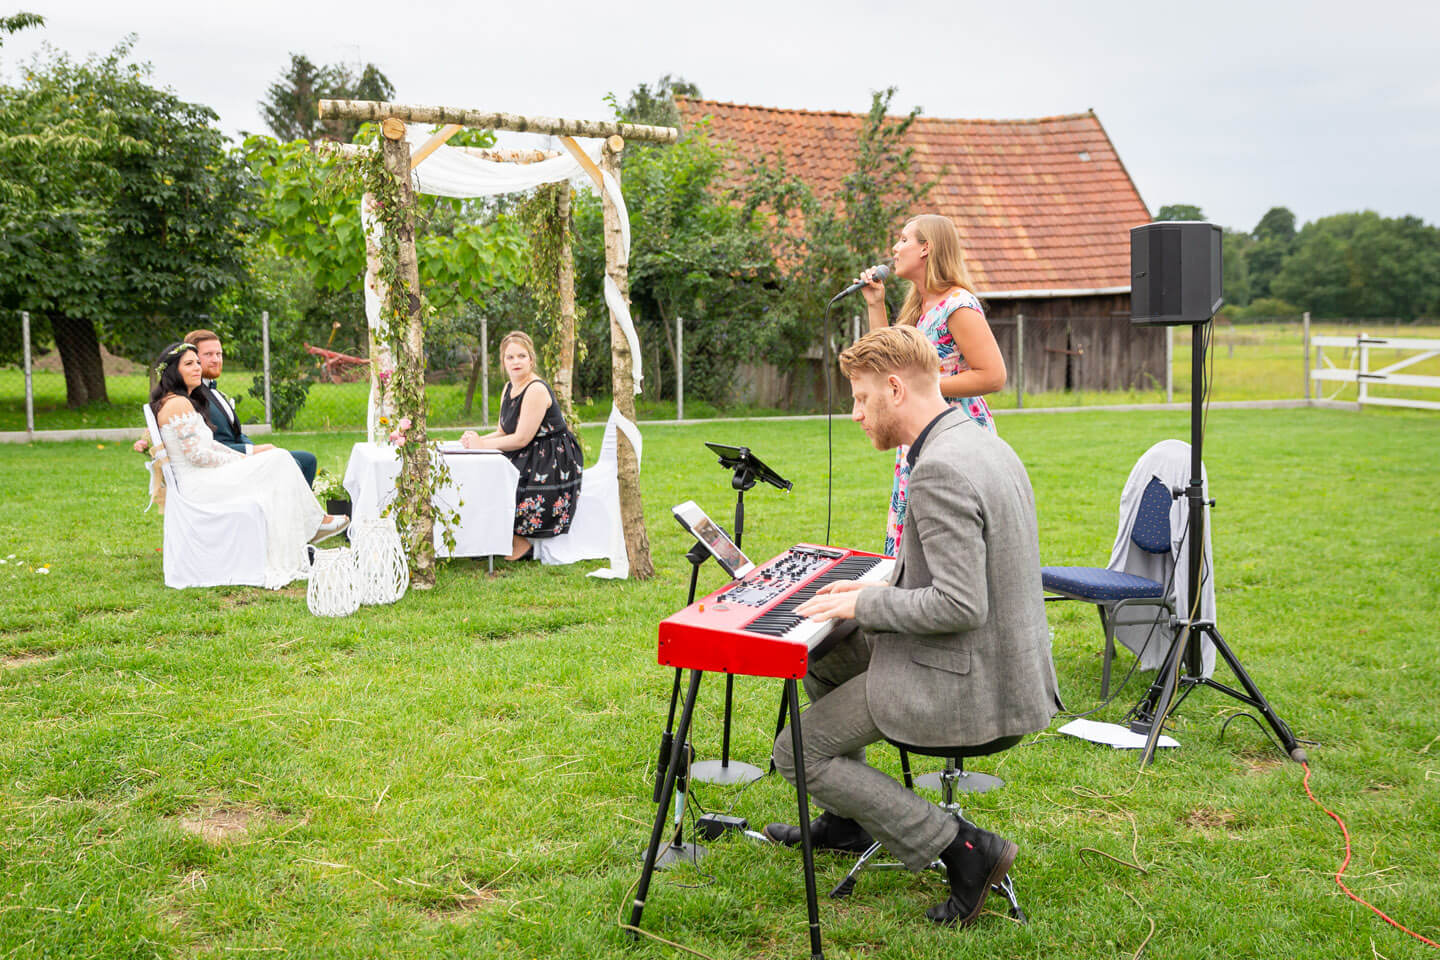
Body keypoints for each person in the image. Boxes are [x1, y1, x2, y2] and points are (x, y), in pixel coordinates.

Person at [763, 325, 1060, 928]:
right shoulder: (978, 441)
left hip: (972, 683)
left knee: (797, 751)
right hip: (1004, 666)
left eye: (860, 398)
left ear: (895, 389)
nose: (855, 414)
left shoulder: (938, 469)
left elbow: (959, 605)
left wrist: (865, 605)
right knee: (827, 655)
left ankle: (964, 848)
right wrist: (866, 593)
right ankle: (847, 820)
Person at [858, 215, 1006, 555]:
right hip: (919, 431)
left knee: (947, 538)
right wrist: (875, 304)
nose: (895, 248)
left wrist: (926, 386)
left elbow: (993, 375)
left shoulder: (958, 305)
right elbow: (888, 367)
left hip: (955, 433)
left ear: (926, 248)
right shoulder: (919, 307)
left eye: (904, 239)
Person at [148, 342, 348, 589]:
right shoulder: (178, 404)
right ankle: (314, 524)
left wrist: (243, 459)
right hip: (199, 485)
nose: (197, 368)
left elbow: (211, 445)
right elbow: (198, 456)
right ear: (172, 371)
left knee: (278, 459)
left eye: (197, 362)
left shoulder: (178, 401)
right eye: (189, 364)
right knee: (279, 459)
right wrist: (239, 460)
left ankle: (313, 525)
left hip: (203, 478)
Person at [459, 331, 583, 561]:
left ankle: (520, 544)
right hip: (527, 450)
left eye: (521, 356)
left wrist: (482, 445)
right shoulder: (508, 388)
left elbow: (521, 439)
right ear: (503, 361)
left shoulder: (535, 389)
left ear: (531, 359)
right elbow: (503, 431)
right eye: (510, 357)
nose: (516, 362)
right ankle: (488, 538)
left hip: (550, 458)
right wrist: (474, 442)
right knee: (480, 472)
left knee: (498, 481)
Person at [184, 329, 319, 487]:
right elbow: (208, 445)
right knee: (292, 463)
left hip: (240, 453)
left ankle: (298, 503)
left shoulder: (214, 392)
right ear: (192, 358)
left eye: (219, 354)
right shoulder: (192, 396)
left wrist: (255, 448)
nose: (216, 360)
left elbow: (237, 434)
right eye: (208, 354)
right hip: (225, 463)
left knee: (308, 460)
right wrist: (252, 451)